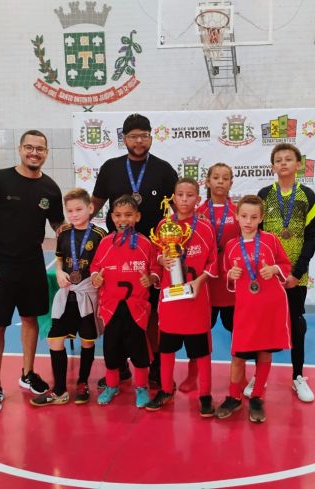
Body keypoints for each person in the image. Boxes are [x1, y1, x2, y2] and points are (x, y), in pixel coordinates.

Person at [0, 129, 64, 414]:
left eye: (40, 149)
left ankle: (27, 373)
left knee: (30, 319)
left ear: (46, 153)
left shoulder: (50, 189)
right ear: (20, 149)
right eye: (29, 147)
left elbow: (58, 225)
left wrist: (81, 229)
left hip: (32, 265)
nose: (34, 153)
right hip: (0, 266)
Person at [91, 113, 178, 388]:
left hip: (150, 255)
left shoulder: (164, 170)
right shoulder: (110, 168)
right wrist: (75, 228)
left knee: (150, 313)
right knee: (116, 312)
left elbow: (179, 210)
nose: (138, 141)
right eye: (132, 136)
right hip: (116, 255)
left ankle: (153, 365)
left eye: (144, 135)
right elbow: (95, 203)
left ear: (151, 137)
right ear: (124, 139)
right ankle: (119, 366)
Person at [145, 177, 218, 417]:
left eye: (190, 195)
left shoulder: (205, 228)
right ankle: (166, 390)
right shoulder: (163, 226)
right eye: (180, 195)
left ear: (198, 199)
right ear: (173, 198)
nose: (184, 199)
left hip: (196, 301)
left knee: (201, 352)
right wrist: (160, 261)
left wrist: (199, 281)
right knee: (166, 349)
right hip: (170, 301)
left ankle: (205, 395)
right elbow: (154, 257)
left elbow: (213, 262)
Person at [215, 195, 291, 423]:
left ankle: (257, 397)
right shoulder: (231, 245)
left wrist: (274, 269)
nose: (248, 221)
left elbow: (285, 265)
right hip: (245, 307)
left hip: (270, 305)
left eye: (254, 217)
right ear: (237, 216)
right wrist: (231, 275)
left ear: (261, 218)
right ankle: (234, 397)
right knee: (238, 355)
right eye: (244, 216)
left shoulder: (270, 240)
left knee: (264, 351)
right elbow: (226, 274)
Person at [29, 188, 106, 407]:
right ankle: (60, 390)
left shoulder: (100, 235)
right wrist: (59, 272)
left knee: (87, 341)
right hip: (67, 294)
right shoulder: (63, 234)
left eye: (78, 209)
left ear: (90, 208)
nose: (74, 214)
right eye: (69, 211)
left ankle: (83, 383)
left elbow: (104, 263)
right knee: (55, 339)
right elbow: (60, 260)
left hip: (87, 295)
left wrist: (99, 277)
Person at [256, 143, 315, 403]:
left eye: (288, 159)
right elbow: (256, 236)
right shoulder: (263, 195)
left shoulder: (307, 196)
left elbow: (311, 239)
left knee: (296, 325)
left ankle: (298, 376)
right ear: (273, 166)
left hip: (295, 276)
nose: (283, 163)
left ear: (298, 164)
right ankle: (260, 376)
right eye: (278, 160)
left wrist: (296, 272)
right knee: (264, 326)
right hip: (268, 274)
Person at [90, 195, 160, 407]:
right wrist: (96, 278)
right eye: (118, 215)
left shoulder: (145, 244)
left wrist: (151, 279)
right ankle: (112, 386)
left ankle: (141, 388)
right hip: (111, 307)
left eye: (128, 215)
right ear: (112, 217)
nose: (123, 220)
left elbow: (156, 268)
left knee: (139, 352)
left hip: (136, 308)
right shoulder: (104, 243)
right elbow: (95, 267)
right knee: (111, 351)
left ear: (137, 217)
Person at [179, 163, 239, 393]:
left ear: (231, 183)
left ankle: (239, 376)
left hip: (231, 283)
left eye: (225, 178)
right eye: (216, 177)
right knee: (199, 332)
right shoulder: (197, 212)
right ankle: (193, 374)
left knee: (237, 333)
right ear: (207, 181)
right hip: (204, 283)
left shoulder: (239, 212)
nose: (220, 181)